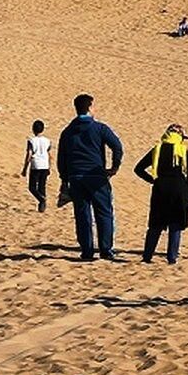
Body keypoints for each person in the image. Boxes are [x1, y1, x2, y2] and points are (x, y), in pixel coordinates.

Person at [57, 94, 124, 261]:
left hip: (76, 177)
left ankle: (87, 251)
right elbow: (117, 146)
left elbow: (61, 158)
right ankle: (105, 249)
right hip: (95, 175)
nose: (96, 109)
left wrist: (65, 179)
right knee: (104, 212)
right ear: (89, 107)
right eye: (94, 106)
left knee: (82, 214)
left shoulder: (67, 131)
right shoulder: (99, 128)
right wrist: (114, 167)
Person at [133, 124, 188, 265]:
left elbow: (138, 169)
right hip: (180, 191)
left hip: (160, 190)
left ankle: (147, 256)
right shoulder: (182, 150)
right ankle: (172, 258)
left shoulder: (157, 149)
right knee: (175, 224)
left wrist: (152, 180)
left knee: (156, 224)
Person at [21, 120, 51, 213]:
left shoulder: (31, 141)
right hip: (45, 165)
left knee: (32, 187)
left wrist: (25, 168)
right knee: (42, 186)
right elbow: (49, 154)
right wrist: (49, 166)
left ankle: (41, 200)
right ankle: (42, 206)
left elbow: (29, 155)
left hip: (36, 165)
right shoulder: (47, 141)